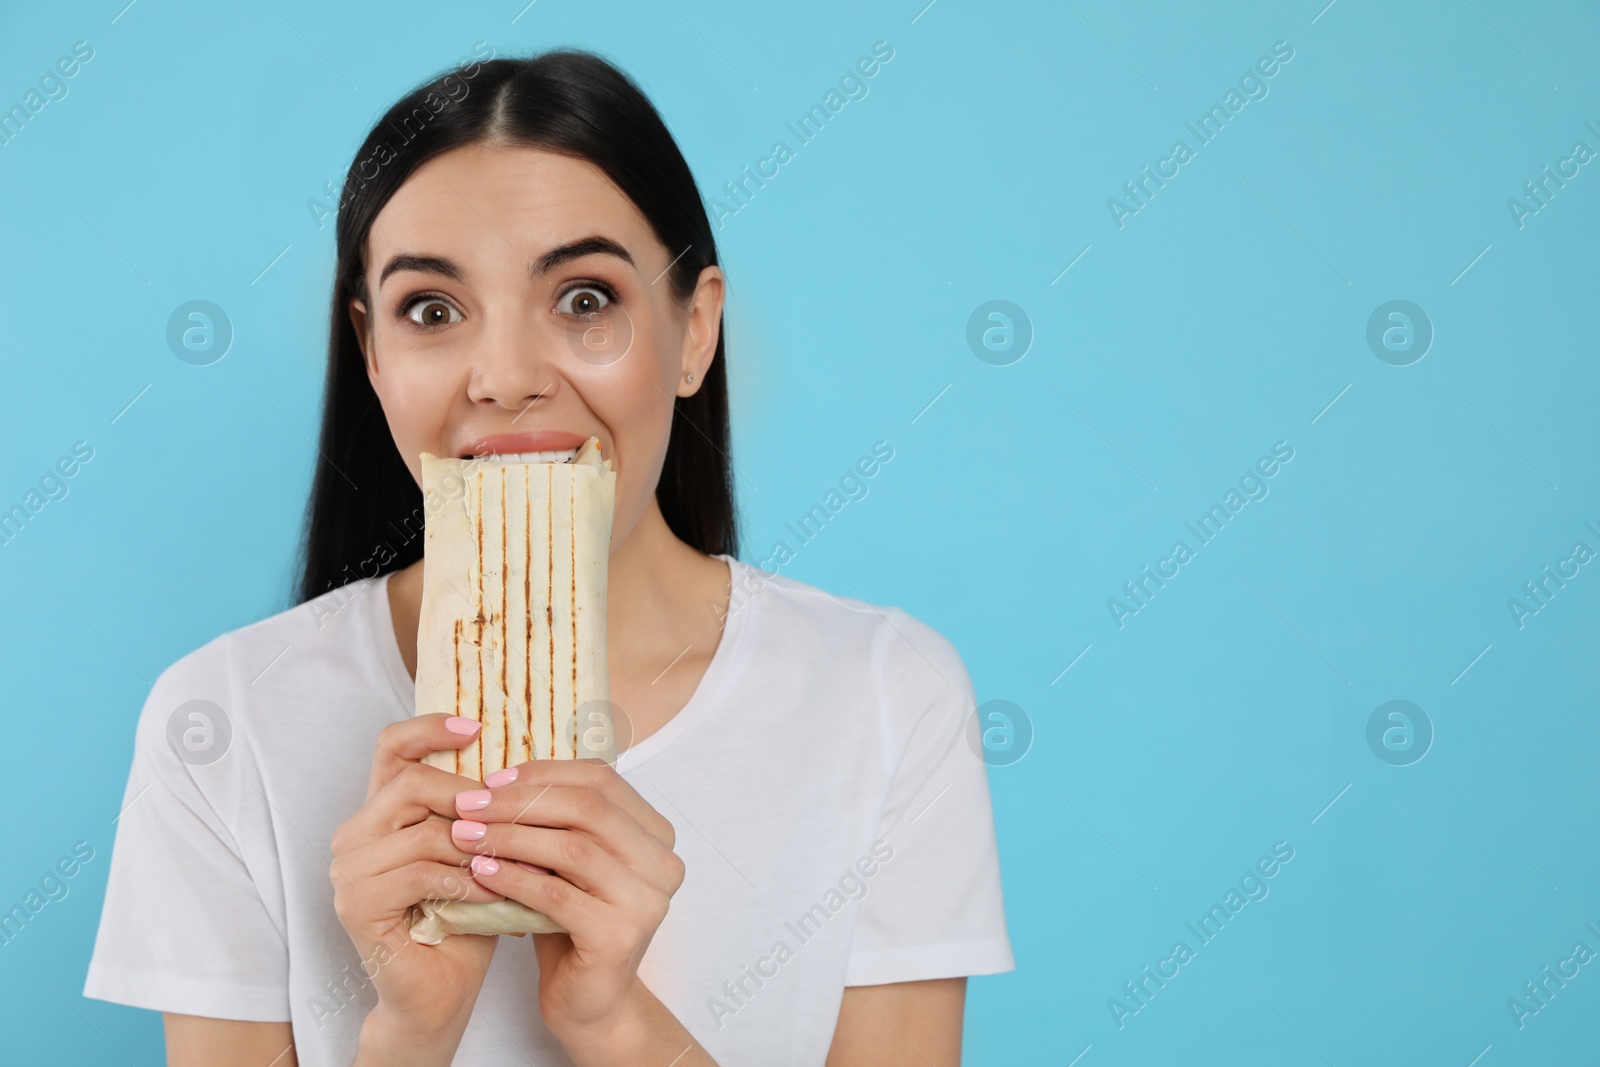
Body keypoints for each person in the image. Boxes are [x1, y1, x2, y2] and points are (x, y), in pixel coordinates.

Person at [83, 47, 1012, 1066]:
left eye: (583, 299)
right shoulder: (224, 718)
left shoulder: (884, 697)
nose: (507, 377)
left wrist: (613, 1021)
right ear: (373, 353)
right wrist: (407, 1030)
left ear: (694, 328)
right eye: (432, 310)